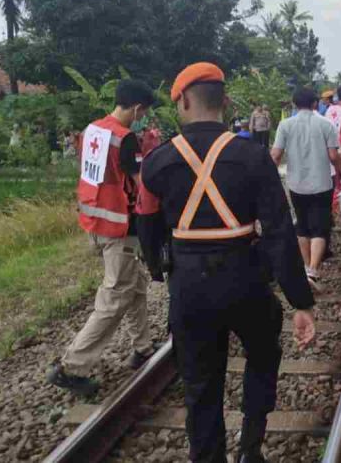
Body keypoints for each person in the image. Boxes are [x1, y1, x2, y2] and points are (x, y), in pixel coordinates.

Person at [136, 62, 316, 463]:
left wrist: (157, 269)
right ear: (227, 101)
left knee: (200, 382)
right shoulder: (253, 157)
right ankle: (251, 448)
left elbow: (146, 228)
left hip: (189, 286)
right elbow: (280, 234)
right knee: (263, 354)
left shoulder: (156, 162)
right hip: (246, 279)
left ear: (182, 100)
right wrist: (300, 301)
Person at [47, 79, 157, 397]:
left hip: (95, 220)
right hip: (118, 228)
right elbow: (141, 184)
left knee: (135, 285)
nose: (142, 118)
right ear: (137, 108)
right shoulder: (125, 140)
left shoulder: (92, 129)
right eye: (144, 113)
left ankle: (143, 347)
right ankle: (72, 367)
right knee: (114, 296)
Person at [271, 87, 341, 292]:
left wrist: (268, 177)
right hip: (321, 183)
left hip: (296, 184)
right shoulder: (326, 124)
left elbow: (276, 155)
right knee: (320, 227)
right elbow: (333, 156)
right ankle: (313, 269)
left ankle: (306, 268)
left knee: (302, 225)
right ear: (315, 103)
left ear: (294, 104)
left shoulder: (285, 125)